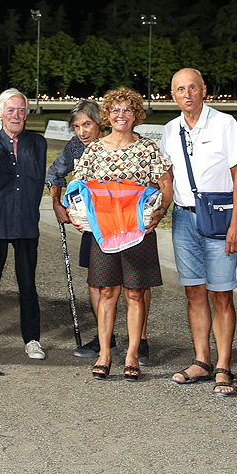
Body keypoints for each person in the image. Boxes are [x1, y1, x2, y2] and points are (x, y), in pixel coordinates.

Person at [71, 87, 171, 380]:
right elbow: (78, 188)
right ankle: (104, 353)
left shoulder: (147, 148)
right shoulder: (95, 149)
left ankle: (132, 355)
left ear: (136, 114)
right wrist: (78, 217)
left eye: (127, 110)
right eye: (115, 110)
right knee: (107, 292)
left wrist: (160, 211)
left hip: (137, 231)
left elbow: (167, 183)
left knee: (135, 293)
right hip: (104, 232)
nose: (121, 115)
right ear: (107, 115)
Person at [162, 68, 237, 396]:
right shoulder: (170, 130)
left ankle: (224, 365)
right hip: (184, 220)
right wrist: (158, 209)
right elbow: (167, 179)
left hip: (220, 220)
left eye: (192, 88)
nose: (187, 94)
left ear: (204, 90)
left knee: (221, 294)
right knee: (194, 293)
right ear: (173, 96)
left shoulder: (225, 124)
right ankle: (202, 360)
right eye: (180, 89)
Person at [0, 88, 49, 360]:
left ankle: (32, 338)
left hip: (26, 223)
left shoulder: (38, 143)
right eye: (11, 110)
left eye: (21, 110)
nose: (16, 115)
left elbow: (38, 179)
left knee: (27, 282)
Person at [46, 100, 104, 357]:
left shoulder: (117, 141)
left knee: (135, 286)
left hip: (125, 223)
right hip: (92, 225)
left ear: (100, 123)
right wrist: (57, 204)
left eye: (87, 124)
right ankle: (105, 338)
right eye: (77, 126)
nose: (82, 132)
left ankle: (142, 342)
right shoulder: (76, 147)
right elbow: (54, 173)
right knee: (96, 281)